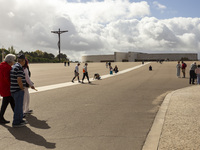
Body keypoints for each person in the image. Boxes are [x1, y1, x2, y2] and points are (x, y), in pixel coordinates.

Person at [10, 54, 27, 127]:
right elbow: (19, 79)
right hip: (18, 89)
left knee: (19, 106)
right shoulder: (19, 67)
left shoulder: (14, 66)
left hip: (13, 89)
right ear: (23, 61)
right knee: (18, 106)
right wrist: (22, 87)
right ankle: (16, 122)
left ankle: (20, 119)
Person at [0, 54, 16, 124]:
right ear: (10, 60)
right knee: (5, 103)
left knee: (12, 102)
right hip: (6, 87)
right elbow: (7, 79)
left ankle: (18, 115)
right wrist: (12, 85)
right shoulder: (7, 67)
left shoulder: (1, 65)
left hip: (2, 86)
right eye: (14, 60)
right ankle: (0, 118)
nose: (14, 62)